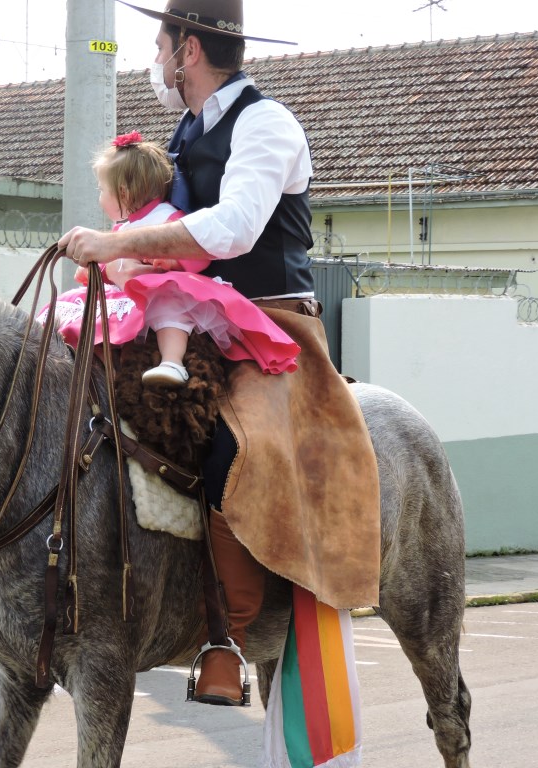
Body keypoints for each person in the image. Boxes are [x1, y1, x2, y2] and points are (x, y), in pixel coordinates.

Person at [59, 0, 327, 707]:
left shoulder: (267, 123)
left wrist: (119, 246)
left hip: (270, 326)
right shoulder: (182, 131)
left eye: (161, 43)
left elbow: (234, 229)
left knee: (224, 452)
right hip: (191, 322)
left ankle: (225, 639)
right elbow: (155, 219)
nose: (154, 57)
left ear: (190, 51)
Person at [40, 131, 300, 386]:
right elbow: (117, 266)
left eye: (101, 190)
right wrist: (96, 272)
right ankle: (89, 372)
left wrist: (173, 262)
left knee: (170, 305)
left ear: (124, 194)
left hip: (155, 294)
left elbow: (198, 257)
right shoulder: (123, 228)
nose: (99, 198)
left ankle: (172, 362)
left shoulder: (167, 219)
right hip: (125, 296)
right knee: (73, 306)